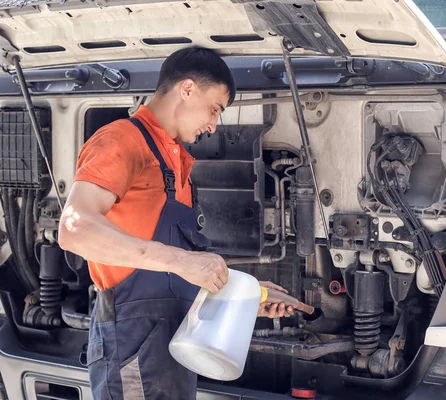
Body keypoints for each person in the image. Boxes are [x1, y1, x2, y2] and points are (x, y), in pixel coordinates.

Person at [58, 46, 293, 400]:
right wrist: (181, 261)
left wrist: (238, 297)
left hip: (170, 347)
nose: (214, 124)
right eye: (215, 108)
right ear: (187, 89)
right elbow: (74, 229)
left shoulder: (174, 162)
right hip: (133, 349)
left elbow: (170, 276)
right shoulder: (121, 140)